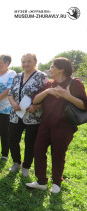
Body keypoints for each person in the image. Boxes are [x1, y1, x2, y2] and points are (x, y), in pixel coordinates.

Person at [26, 57, 87, 193]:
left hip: (64, 126)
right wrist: (47, 92)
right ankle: (41, 181)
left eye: (52, 66)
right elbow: (35, 100)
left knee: (58, 154)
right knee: (38, 150)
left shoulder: (75, 83)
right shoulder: (49, 84)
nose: (49, 69)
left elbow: (84, 105)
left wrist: (67, 95)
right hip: (46, 123)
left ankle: (56, 182)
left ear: (61, 69)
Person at [8, 53, 48, 177]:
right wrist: (14, 103)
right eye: (23, 61)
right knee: (12, 139)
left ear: (35, 62)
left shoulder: (42, 76)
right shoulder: (17, 76)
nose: (25, 64)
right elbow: (10, 94)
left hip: (33, 116)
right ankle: (16, 162)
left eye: (28, 61)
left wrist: (37, 106)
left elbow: (47, 96)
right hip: (16, 114)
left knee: (30, 142)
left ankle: (26, 166)